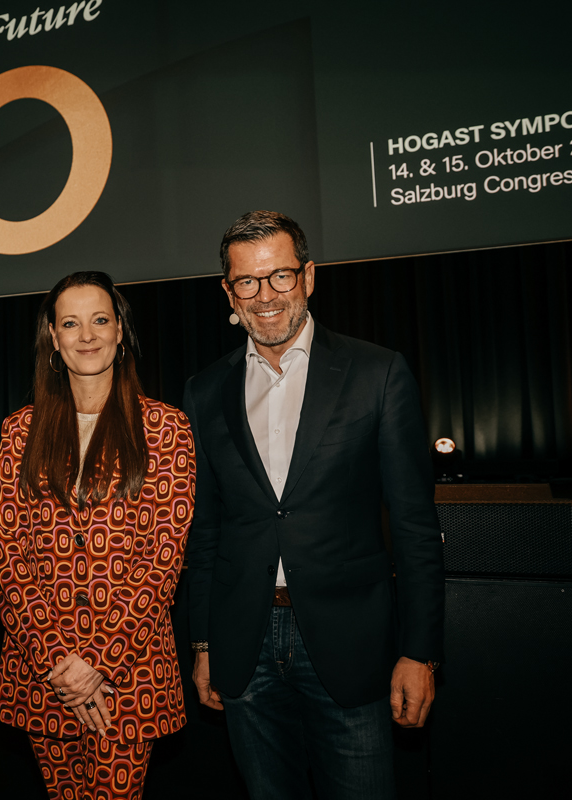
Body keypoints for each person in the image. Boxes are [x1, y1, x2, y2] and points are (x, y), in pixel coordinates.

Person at [184, 210, 445, 798]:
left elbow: (415, 527)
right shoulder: (205, 391)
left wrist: (420, 653)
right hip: (243, 647)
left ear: (309, 276)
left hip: (351, 646)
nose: (266, 295)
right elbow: (206, 532)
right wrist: (203, 645)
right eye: (247, 282)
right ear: (228, 291)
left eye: (280, 276)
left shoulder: (377, 373)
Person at [0, 271, 196, 800]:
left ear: (120, 331)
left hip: (128, 674)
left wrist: (96, 663)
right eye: (71, 323)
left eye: (100, 320)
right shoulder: (20, 431)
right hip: (45, 673)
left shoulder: (165, 428)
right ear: (53, 339)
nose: (87, 335)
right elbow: (9, 554)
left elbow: (162, 561)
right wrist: (59, 664)